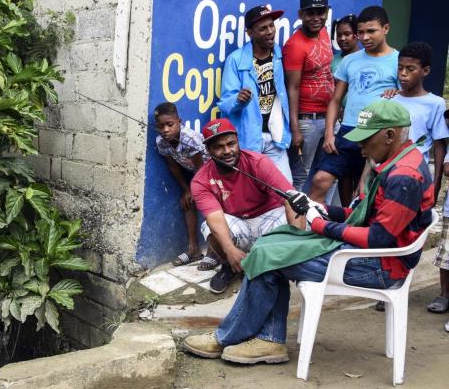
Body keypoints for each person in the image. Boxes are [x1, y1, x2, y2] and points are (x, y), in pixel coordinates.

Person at [183, 100, 434, 364]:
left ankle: (231, 337)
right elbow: (364, 218)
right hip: (372, 256)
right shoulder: (401, 162)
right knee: (271, 246)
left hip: (379, 267)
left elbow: (378, 238)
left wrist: (321, 225)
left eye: (366, 140)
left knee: (268, 257)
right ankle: (267, 340)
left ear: (390, 135)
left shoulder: (403, 177)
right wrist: (321, 208)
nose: (361, 148)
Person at [190, 118, 296, 294]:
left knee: (300, 210)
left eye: (231, 144)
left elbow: (290, 199)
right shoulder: (200, 180)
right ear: (208, 150)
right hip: (239, 224)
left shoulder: (258, 162)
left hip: (268, 220)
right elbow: (214, 217)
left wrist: (297, 246)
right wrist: (230, 250)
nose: (227, 151)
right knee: (208, 227)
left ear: (238, 142)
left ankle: (280, 265)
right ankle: (231, 266)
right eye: (218, 147)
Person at [312, 6, 399, 204]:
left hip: (376, 135)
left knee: (364, 193)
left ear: (386, 28)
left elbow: (407, 98)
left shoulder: (398, 61)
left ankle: (353, 231)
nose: (365, 37)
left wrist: (397, 92)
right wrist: (329, 134)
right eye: (361, 32)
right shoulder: (350, 60)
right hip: (347, 131)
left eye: (371, 31)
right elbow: (335, 100)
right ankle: (307, 230)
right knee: (320, 180)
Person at [387, 43, 449, 313]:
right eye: (400, 68)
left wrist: (434, 189)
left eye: (410, 69)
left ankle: (408, 285)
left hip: (416, 180)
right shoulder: (391, 99)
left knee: (411, 234)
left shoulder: (435, 104)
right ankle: (386, 285)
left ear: (425, 71)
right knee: (388, 232)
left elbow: (438, 147)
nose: (403, 74)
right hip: (388, 178)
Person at [219, 5, 293, 183]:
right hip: (249, 138)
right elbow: (225, 103)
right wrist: (238, 100)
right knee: (251, 189)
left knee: (286, 189)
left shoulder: (278, 55)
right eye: (263, 28)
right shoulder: (236, 60)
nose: (270, 32)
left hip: (275, 137)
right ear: (250, 33)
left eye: (271, 26)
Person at [153, 102, 214, 268]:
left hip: (211, 173)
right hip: (195, 176)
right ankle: (193, 249)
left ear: (179, 121)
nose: (165, 130)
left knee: (209, 206)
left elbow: (202, 168)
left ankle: (213, 252)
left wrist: (194, 189)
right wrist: (186, 190)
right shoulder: (162, 142)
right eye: (161, 126)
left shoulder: (190, 139)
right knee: (187, 203)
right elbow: (173, 166)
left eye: (170, 124)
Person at [284, 0, 334, 191]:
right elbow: (292, 88)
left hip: (329, 118)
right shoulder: (294, 45)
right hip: (307, 121)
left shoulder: (324, 33)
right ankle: (295, 221)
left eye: (320, 12)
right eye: (310, 13)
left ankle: (322, 219)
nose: (316, 18)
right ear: (300, 14)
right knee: (301, 176)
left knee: (329, 173)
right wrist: (295, 128)